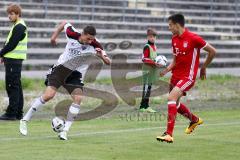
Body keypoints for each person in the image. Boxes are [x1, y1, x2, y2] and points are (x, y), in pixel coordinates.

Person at [19, 21, 111, 140]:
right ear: (82, 34)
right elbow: (64, 23)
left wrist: (102, 57)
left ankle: (64, 132)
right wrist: (54, 37)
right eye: (88, 39)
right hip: (61, 69)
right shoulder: (72, 33)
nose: (90, 42)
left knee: (78, 98)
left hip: (75, 74)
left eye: (91, 39)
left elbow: (108, 62)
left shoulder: (96, 45)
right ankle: (24, 120)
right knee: (48, 96)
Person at [156, 13, 216, 143]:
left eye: (170, 25)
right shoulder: (174, 39)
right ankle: (194, 120)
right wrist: (166, 70)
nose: (169, 28)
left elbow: (213, 51)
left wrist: (204, 67)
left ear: (177, 25)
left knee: (171, 98)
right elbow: (175, 60)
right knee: (175, 104)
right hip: (175, 76)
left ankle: (169, 134)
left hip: (188, 77)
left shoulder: (194, 38)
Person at [0, 4, 28, 120]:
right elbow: (9, 43)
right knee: (16, 86)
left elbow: (11, 45)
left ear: (18, 14)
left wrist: (1, 53)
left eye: (11, 14)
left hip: (14, 60)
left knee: (12, 86)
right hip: (12, 59)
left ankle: (11, 113)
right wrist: (3, 56)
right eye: (9, 14)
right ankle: (18, 113)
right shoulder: (17, 25)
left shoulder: (19, 26)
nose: (9, 16)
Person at [139, 28, 161, 113]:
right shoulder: (147, 46)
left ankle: (146, 105)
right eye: (151, 37)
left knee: (149, 88)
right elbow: (144, 59)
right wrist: (154, 62)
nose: (152, 38)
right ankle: (143, 106)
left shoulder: (154, 46)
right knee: (146, 88)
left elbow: (155, 58)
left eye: (154, 37)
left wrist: (158, 62)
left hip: (152, 70)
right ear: (147, 37)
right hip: (147, 70)